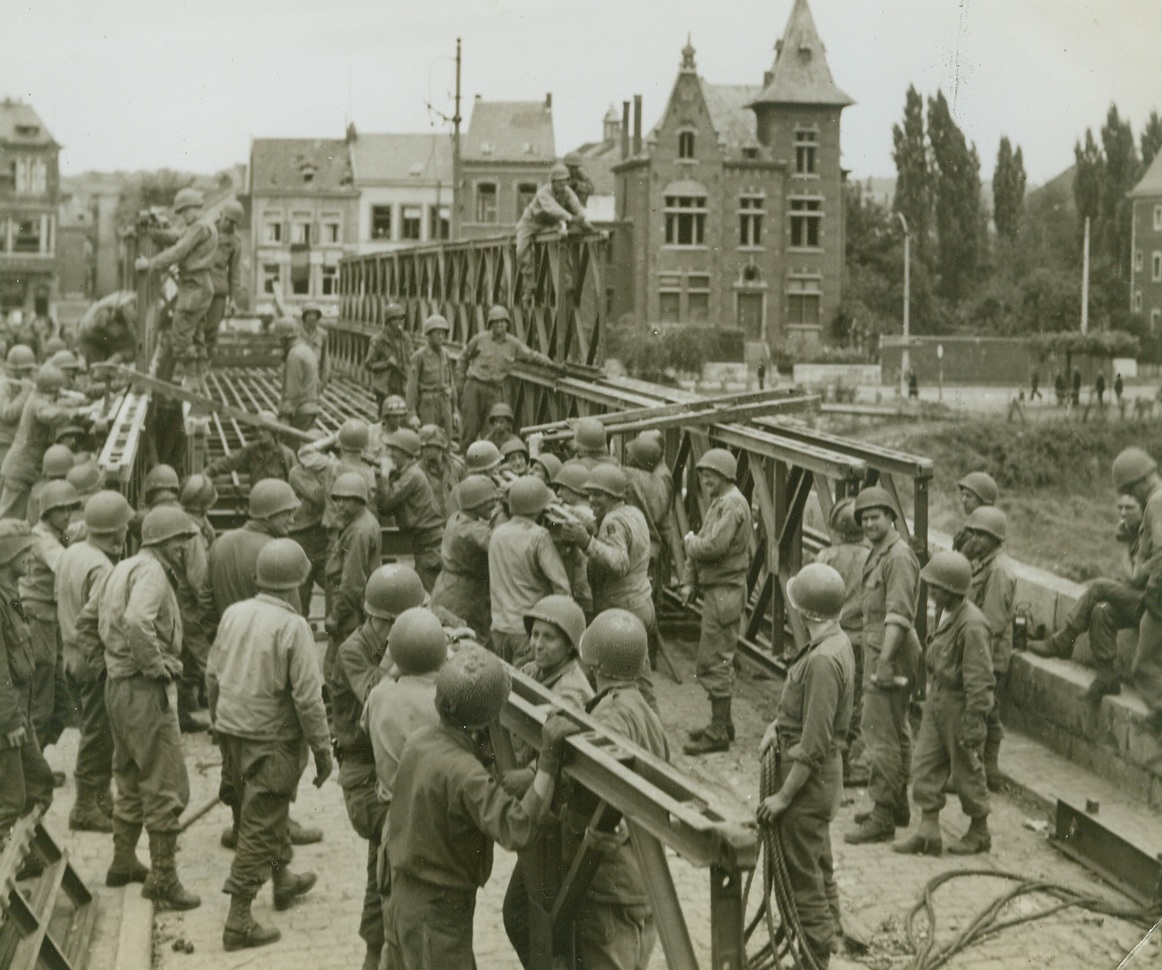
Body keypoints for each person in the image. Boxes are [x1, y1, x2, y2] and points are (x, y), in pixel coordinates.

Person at [382, 645, 579, 969]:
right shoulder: (466, 773)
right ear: (488, 718)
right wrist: (547, 761)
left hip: (405, 898)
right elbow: (520, 828)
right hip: (439, 913)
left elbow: (452, 797)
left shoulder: (420, 742)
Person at [207, 539, 331, 951]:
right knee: (260, 828)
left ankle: (283, 881)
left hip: (233, 735)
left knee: (257, 813)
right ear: (296, 584)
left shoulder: (233, 614)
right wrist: (322, 749)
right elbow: (309, 699)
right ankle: (238, 920)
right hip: (271, 740)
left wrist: (219, 722)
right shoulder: (292, 626)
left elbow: (212, 676)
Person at [74, 507, 201, 908]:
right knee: (165, 783)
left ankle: (123, 861)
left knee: (127, 775)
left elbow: (85, 622)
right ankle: (163, 879)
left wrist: (106, 670)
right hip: (144, 690)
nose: (186, 547)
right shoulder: (152, 574)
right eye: (182, 540)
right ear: (166, 543)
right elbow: (137, 621)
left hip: (118, 687)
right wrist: (154, 667)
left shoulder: (121, 567)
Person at [757, 563, 855, 968]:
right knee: (820, 866)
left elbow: (814, 742)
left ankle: (815, 958)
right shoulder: (835, 643)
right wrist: (776, 725)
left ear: (805, 611)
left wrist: (783, 795)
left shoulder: (821, 661)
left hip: (806, 786)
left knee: (802, 882)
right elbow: (810, 715)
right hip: (819, 781)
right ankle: (832, 939)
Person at [335, 596, 433, 970]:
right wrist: (408, 648)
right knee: (398, 861)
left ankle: (375, 954)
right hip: (363, 778)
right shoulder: (354, 651)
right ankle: (389, 952)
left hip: (385, 773)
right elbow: (380, 694)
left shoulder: (395, 637)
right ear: (375, 618)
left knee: (382, 862)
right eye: (389, 624)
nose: (392, 632)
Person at [570, 609, 668, 967]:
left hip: (612, 883)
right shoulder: (646, 710)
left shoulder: (608, 717)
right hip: (644, 877)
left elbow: (603, 794)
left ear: (592, 662)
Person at [361, 608, 449, 970]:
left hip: (392, 825)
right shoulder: (443, 700)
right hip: (433, 828)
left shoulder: (380, 696)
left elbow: (367, 715)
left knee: (395, 918)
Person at [894, 551, 994, 857]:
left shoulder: (973, 624)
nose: (931, 592)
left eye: (936, 587)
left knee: (965, 770)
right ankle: (928, 831)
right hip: (938, 700)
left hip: (960, 705)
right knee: (925, 764)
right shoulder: (946, 612)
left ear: (952, 589)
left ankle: (979, 831)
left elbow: (980, 680)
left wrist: (974, 722)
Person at [844, 486, 922, 845]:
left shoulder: (898, 557)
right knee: (897, 728)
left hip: (890, 649)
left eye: (876, 516)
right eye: (864, 518)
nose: (870, 523)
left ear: (892, 517)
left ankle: (882, 815)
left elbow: (899, 615)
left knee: (880, 733)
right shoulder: (879, 553)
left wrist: (886, 661)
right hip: (885, 648)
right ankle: (897, 805)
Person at [56, 490, 134, 836]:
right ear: (115, 531)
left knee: (93, 730)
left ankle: (99, 800)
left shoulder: (74, 552)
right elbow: (105, 621)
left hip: (71, 655)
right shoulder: (102, 567)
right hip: (93, 660)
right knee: (98, 734)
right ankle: (86, 806)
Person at [561, 464, 656, 705]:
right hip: (640, 603)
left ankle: (646, 729)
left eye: (598, 495)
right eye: (590, 494)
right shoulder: (631, 513)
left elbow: (619, 562)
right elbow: (605, 528)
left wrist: (585, 542)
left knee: (632, 680)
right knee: (637, 673)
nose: (592, 499)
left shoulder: (613, 522)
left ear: (613, 496)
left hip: (623, 608)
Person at [1030, 491, 1145, 690]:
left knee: (1099, 586)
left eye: (1129, 508)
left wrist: (1124, 544)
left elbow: (1134, 578)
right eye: (1120, 508)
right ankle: (1107, 675)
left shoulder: (1152, 533)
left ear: (1144, 509)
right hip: (1139, 603)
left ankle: (1065, 640)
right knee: (1101, 610)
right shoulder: (1136, 533)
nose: (1123, 513)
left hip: (1153, 605)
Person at [681, 448, 753, 755]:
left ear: (725, 475)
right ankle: (723, 722)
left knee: (714, 660)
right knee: (717, 656)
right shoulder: (721, 502)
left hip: (725, 591)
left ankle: (718, 730)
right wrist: (690, 579)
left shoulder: (732, 505)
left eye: (710, 475)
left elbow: (712, 546)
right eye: (703, 476)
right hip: (719, 590)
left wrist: (690, 543)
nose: (705, 481)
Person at [0, 520, 55, 858]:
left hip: (19, 713)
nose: (33, 557)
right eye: (25, 551)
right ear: (7, 556)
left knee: (39, 787)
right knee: (9, 801)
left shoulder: (11, 597)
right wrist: (9, 723)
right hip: (8, 719)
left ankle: (23, 863)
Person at [21, 480, 81, 767]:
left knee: (60, 701)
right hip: (39, 620)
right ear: (47, 512)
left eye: (69, 509)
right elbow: (64, 564)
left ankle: (36, 766)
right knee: (42, 698)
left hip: (49, 620)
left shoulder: (55, 532)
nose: (67, 515)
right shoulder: (42, 538)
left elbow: (75, 533)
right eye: (60, 510)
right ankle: (30, 773)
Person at [815, 497, 870, 784]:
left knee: (831, 697)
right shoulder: (872, 557)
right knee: (855, 698)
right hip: (860, 640)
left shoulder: (826, 556)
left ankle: (830, 756)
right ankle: (846, 761)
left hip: (832, 636)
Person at [136, 187, 218, 380]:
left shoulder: (199, 227)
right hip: (201, 286)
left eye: (183, 211)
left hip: (194, 287)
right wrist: (154, 233)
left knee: (180, 336)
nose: (182, 216)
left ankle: (191, 381)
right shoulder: (204, 225)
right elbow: (178, 237)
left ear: (193, 208)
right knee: (196, 336)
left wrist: (149, 264)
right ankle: (198, 380)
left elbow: (178, 250)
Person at [488, 476, 571, 666]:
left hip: (500, 626)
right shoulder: (539, 536)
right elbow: (561, 586)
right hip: (527, 630)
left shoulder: (497, 533)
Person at [959, 506, 1014, 792]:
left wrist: (977, 662)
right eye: (974, 533)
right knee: (986, 711)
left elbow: (991, 624)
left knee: (987, 711)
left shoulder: (999, 571)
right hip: (983, 651)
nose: (975, 540)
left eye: (981, 535)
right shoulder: (985, 563)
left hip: (989, 654)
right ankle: (982, 771)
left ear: (995, 538)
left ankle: (986, 771)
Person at [1109, 448, 1162, 729]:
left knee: (1142, 667)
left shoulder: (1155, 502)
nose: (1132, 496)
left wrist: (1153, 588)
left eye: (1131, 488)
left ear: (1142, 481)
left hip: (1160, 597)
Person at [456, 305, 558, 449]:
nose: (499, 325)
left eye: (502, 322)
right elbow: (462, 358)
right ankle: (465, 461)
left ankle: (488, 461)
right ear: (490, 324)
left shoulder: (513, 344)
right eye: (495, 322)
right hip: (474, 387)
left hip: (495, 390)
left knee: (492, 430)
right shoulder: (479, 339)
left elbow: (531, 355)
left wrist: (552, 365)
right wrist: (460, 383)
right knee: (469, 428)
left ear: (507, 324)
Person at [0, 364, 88, 521]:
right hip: (20, 470)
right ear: (51, 391)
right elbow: (49, 414)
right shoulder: (38, 402)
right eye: (57, 393)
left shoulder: (39, 397)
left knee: (16, 518)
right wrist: (78, 413)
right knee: (8, 519)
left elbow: (58, 405)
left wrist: (82, 405)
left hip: (26, 468)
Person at [323, 472, 382, 678]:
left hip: (350, 609)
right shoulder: (361, 522)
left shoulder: (359, 531)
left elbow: (353, 581)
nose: (340, 504)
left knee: (338, 669)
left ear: (359, 500)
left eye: (346, 499)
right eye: (338, 499)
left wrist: (335, 616)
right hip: (355, 605)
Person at [430, 475, 498, 644]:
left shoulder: (457, 517)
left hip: (447, 587)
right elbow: (499, 543)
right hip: (464, 596)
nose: (494, 505)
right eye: (489, 502)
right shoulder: (472, 531)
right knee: (466, 641)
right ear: (476, 504)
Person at [376, 429, 444, 591]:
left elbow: (386, 504)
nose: (390, 454)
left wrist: (385, 474)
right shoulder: (407, 473)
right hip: (425, 541)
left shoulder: (412, 475)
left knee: (427, 590)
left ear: (406, 453)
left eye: (394, 450)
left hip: (429, 543)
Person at [514, 164, 593, 302]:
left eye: (565, 180)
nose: (563, 183)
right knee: (521, 251)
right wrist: (571, 218)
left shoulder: (567, 192)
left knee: (562, 242)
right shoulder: (543, 193)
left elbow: (576, 206)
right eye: (559, 181)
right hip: (530, 223)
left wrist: (584, 221)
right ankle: (529, 284)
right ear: (553, 181)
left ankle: (566, 281)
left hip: (549, 225)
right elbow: (552, 209)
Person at [204, 411, 296, 483]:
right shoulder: (252, 450)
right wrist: (209, 471)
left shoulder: (286, 454)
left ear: (273, 431)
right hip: (258, 500)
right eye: (257, 429)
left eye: (264, 430)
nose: (260, 433)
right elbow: (229, 461)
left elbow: (295, 483)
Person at [204, 200, 245, 357]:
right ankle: (190, 372)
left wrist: (233, 300)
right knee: (194, 332)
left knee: (211, 333)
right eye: (226, 219)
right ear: (220, 215)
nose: (228, 224)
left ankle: (202, 371)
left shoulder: (234, 243)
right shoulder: (205, 231)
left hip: (217, 291)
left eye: (233, 222)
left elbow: (235, 273)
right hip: (199, 287)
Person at [405, 314, 456, 438]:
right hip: (428, 404)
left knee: (446, 439)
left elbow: (451, 382)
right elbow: (411, 387)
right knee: (429, 439)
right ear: (429, 334)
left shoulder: (446, 355)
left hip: (445, 403)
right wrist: (412, 414)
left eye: (443, 333)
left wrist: (455, 410)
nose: (441, 336)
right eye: (437, 333)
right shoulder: (419, 357)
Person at [274, 319, 320, 432]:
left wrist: (284, 416)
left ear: (285, 338)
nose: (279, 343)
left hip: (299, 412)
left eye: (280, 339)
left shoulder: (294, 355)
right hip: (310, 409)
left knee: (289, 448)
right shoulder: (306, 350)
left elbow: (293, 391)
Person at [364, 303, 410, 414]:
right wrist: (386, 363)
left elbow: (411, 358)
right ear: (388, 321)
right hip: (385, 387)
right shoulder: (379, 340)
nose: (398, 323)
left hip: (402, 384)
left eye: (400, 319)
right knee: (385, 416)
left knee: (402, 414)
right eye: (395, 319)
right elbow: (369, 364)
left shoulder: (405, 338)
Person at [75, 291, 137, 366]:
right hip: (91, 336)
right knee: (97, 369)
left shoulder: (127, 304)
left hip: (97, 328)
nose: (115, 333)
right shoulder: (98, 322)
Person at [0, 345, 36, 468]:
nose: (29, 373)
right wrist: (24, 393)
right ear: (15, 369)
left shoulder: (19, 382)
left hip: (15, 440)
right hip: (3, 442)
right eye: (26, 370)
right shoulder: (3, 384)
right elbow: (6, 414)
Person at [418, 424, 464, 517]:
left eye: (429, 446)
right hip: (430, 523)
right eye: (422, 447)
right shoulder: (418, 471)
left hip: (454, 520)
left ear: (440, 446)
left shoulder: (456, 467)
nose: (425, 450)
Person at [952, 471, 998, 552]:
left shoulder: (985, 534)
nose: (963, 500)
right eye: (963, 494)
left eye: (968, 496)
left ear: (983, 501)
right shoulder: (971, 528)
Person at [299, 303, 331, 388]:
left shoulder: (322, 334)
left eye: (314, 314)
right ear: (304, 316)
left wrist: (324, 380)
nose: (312, 317)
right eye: (309, 314)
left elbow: (325, 358)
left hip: (315, 376)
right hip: (299, 376)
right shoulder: (296, 333)